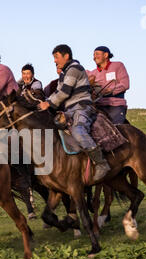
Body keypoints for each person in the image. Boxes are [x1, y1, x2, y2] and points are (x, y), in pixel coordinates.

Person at [39, 44, 110, 182]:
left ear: (66, 56)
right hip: (69, 110)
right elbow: (57, 93)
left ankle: (101, 163)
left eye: (56, 57)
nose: (54, 60)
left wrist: (47, 104)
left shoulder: (74, 68)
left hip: (81, 107)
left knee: (78, 131)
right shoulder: (64, 73)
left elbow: (64, 92)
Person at [87, 46, 130, 124]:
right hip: (99, 106)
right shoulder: (93, 73)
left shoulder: (118, 65)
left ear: (106, 55)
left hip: (116, 105)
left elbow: (125, 84)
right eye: (93, 55)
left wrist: (109, 90)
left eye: (97, 54)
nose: (94, 57)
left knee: (115, 128)